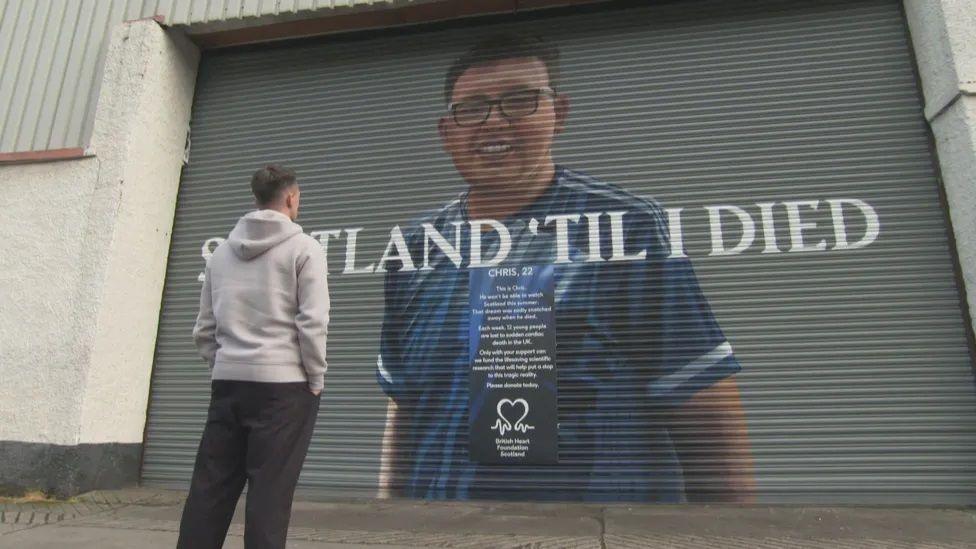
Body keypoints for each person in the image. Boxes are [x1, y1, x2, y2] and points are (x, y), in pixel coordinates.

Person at [376, 34, 755, 503]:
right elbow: (406, 407)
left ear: (560, 114)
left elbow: (705, 410)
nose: (494, 122)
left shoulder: (622, 227)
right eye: (471, 109)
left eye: (520, 101)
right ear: (446, 131)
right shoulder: (416, 246)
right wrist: (390, 517)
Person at [177, 164, 330, 548]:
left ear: (255, 198)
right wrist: (315, 378)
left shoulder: (221, 255)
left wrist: (225, 363)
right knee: (270, 494)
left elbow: (203, 330)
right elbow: (312, 323)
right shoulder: (305, 249)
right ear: (291, 198)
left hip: (228, 384)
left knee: (210, 490)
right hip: (285, 389)